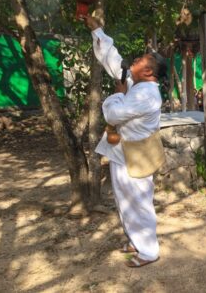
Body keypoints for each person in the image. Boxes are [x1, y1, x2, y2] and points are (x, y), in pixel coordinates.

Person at [84, 16, 165, 267]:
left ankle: (149, 251)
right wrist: (97, 29)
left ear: (149, 71)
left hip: (137, 155)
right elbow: (113, 61)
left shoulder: (148, 95)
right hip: (123, 153)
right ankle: (135, 241)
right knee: (124, 199)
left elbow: (113, 114)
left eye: (140, 61)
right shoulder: (136, 82)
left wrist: (118, 95)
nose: (134, 61)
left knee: (139, 202)